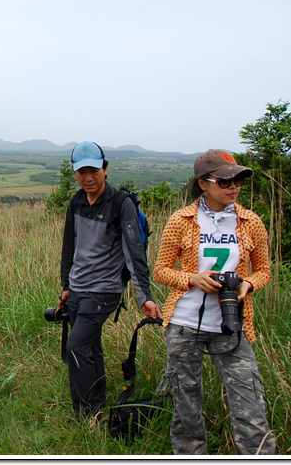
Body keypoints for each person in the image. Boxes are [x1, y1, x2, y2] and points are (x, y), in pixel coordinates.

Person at [153, 149, 275, 454]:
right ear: (203, 183)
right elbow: (160, 270)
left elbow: (264, 271)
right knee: (186, 408)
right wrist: (192, 279)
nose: (233, 186)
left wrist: (248, 283)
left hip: (232, 324)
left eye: (238, 180)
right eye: (225, 181)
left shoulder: (250, 222)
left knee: (251, 405)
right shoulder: (180, 221)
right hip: (184, 324)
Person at [59, 141, 160, 422]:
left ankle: (84, 412)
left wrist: (145, 296)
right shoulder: (76, 201)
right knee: (90, 347)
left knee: (76, 347)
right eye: (82, 172)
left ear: (105, 169)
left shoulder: (120, 204)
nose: (88, 178)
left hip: (104, 291)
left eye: (94, 171)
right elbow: (70, 246)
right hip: (78, 288)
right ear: (75, 173)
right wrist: (66, 286)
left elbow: (134, 252)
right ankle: (98, 401)